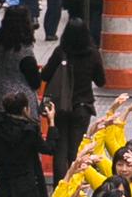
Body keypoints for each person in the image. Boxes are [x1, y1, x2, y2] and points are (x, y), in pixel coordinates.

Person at [41, 20, 105, 181]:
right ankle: (74, 186)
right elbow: (101, 81)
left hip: (60, 107)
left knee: (60, 150)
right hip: (82, 107)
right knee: (76, 150)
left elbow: (45, 74)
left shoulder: (61, 52)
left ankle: (60, 188)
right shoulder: (93, 54)